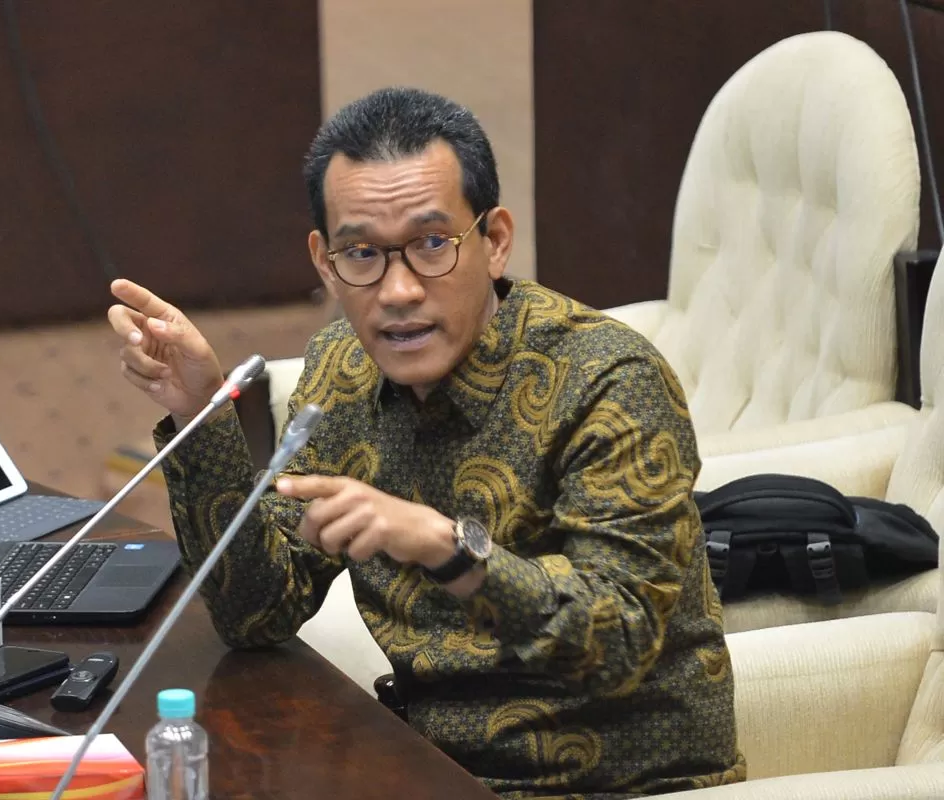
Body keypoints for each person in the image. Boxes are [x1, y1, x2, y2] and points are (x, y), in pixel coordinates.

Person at [108, 87, 745, 799]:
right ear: (324, 261)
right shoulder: (342, 369)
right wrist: (201, 413)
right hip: (421, 765)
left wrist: (447, 547)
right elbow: (257, 613)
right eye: (362, 254)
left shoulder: (608, 380)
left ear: (495, 241)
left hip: (615, 782)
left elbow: (621, 644)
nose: (399, 291)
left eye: (433, 244)